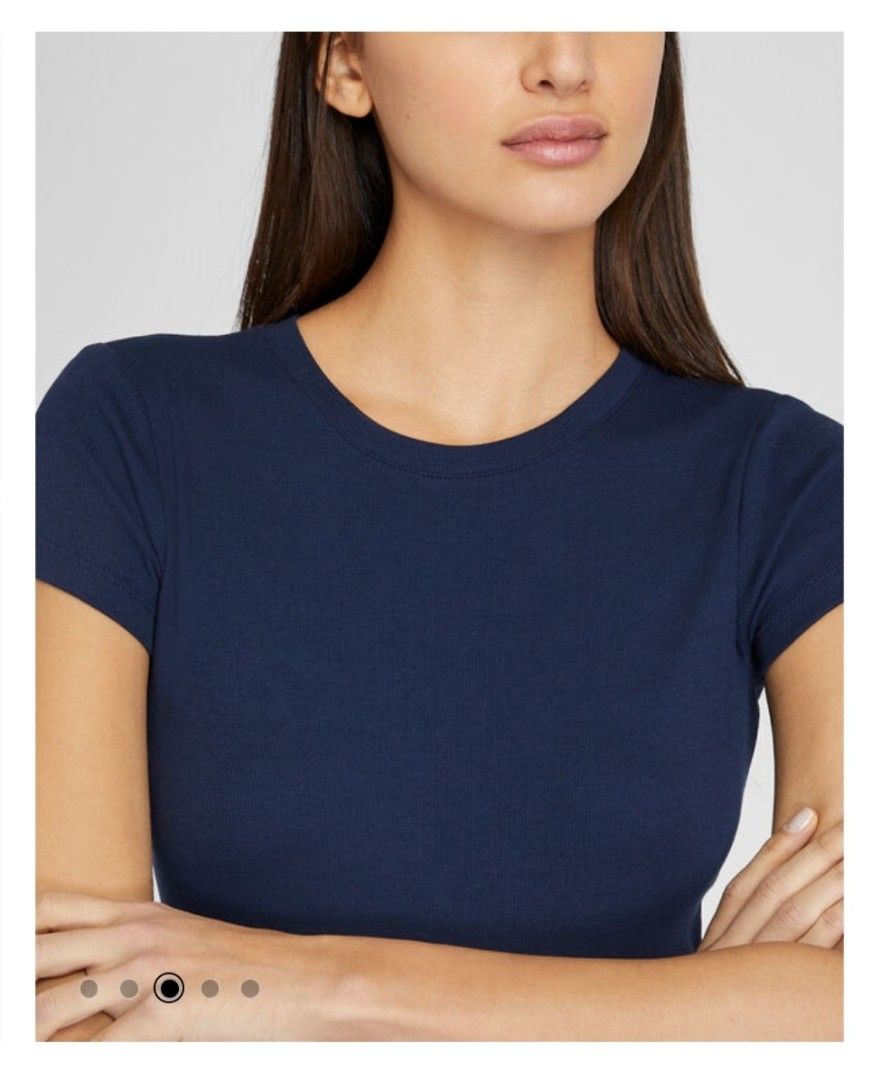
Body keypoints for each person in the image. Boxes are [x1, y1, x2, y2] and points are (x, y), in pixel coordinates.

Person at [36, 32, 843, 1040]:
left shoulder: (790, 481)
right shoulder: (130, 431)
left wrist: (318, 987)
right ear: (344, 66)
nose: (565, 61)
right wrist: (699, 1012)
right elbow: (70, 1006)